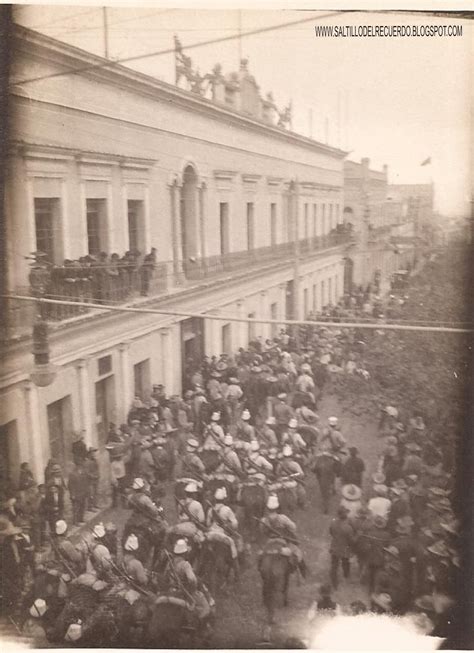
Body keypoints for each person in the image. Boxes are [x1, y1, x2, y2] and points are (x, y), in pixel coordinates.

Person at [259, 494, 307, 577]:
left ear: (268, 508)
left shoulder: (264, 520)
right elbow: (293, 527)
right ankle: (302, 574)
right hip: (283, 540)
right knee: (297, 552)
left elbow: (262, 531)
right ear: (277, 508)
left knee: (261, 555)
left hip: (269, 542)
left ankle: (260, 567)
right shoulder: (283, 518)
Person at [328, 506, 354, 589]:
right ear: (345, 515)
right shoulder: (348, 528)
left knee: (334, 566)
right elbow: (351, 541)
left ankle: (334, 583)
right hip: (345, 549)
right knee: (345, 562)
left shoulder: (333, 522)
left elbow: (331, 532)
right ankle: (346, 575)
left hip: (335, 547)